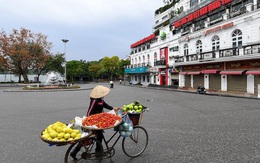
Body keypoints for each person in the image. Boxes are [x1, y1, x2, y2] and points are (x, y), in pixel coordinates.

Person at [70, 85, 119, 160]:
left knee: (97, 137)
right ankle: (96, 153)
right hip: (93, 121)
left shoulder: (100, 99)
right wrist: (89, 121)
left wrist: (113, 108)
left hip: (98, 120)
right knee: (94, 137)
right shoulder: (94, 100)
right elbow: (90, 111)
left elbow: (105, 105)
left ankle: (96, 152)